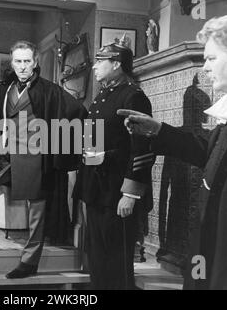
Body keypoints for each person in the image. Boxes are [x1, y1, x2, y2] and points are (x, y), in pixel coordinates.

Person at [118, 15, 227, 290]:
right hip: (213, 233)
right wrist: (158, 130)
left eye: (212, 58)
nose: (206, 67)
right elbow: (208, 153)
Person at [0, 40, 87, 279]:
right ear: (12, 63)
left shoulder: (50, 90)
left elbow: (80, 114)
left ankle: (29, 261)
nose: (23, 66)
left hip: (35, 158)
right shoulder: (4, 90)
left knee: (36, 211)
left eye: (27, 61)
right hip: (7, 156)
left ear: (35, 62)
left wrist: (68, 147)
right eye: (18, 61)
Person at [72, 37, 154, 290]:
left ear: (116, 64)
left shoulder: (134, 97)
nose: (94, 67)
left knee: (117, 260)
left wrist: (130, 194)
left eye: (99, 61)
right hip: (96, 188)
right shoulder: (103, 95)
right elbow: (92, 139)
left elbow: (143, 149)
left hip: (118, 191)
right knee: (97, 257)